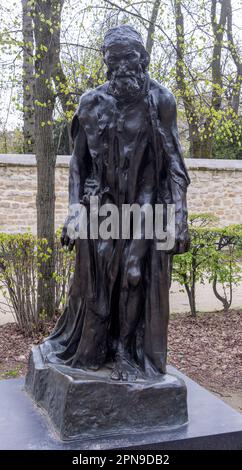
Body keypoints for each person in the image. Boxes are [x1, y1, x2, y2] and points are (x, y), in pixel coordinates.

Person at [41, 25, 190, 381]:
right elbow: (78, 163)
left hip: (145, 207)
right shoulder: (91, 103)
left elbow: (175, 167)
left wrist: (179, 218)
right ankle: (95, 348)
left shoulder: (160, 100)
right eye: (115, 59)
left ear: (142, 58)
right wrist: (75, 213)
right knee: (98, 292)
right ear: (106, 62)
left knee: (135, 275)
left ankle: (127, 352)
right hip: (99, 208)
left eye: (130, 57)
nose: (123, 66)